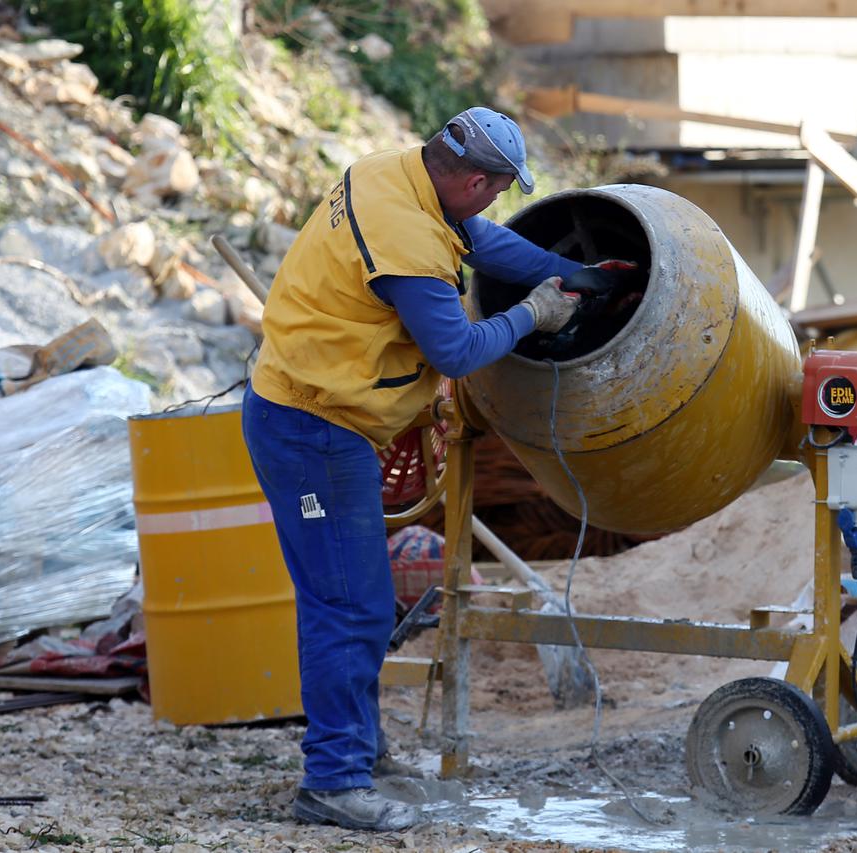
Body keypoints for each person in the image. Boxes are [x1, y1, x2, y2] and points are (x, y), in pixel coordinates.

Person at [240, 107, 615, 832]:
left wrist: (573, 274)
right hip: (315, 430)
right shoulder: (407, 240)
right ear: (474, 180)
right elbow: (456, 351)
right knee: (348, 606)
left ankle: (362, 756)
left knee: (354, 600)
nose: (495, 202)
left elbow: (480, 240)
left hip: (308, 412)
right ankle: (333, 782)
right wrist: (535, 314)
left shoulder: (395, 174)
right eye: (498, 189)